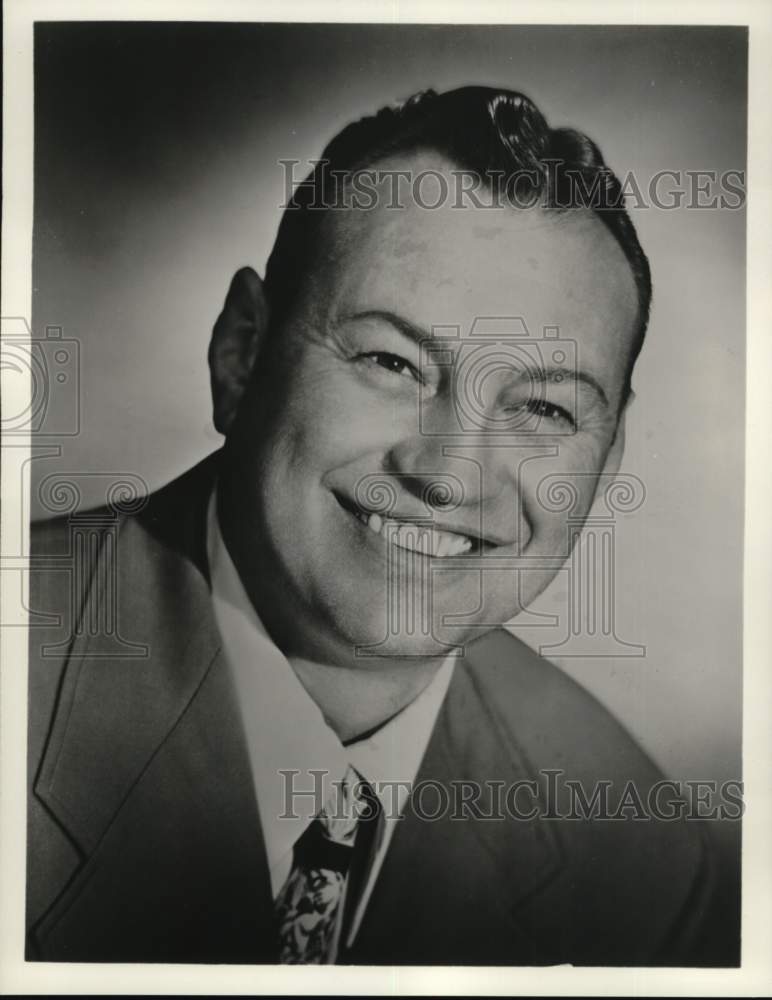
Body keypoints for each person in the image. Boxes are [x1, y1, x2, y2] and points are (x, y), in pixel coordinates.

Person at [25, 86, 739, 965]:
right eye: (391, 361)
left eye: (546, 410)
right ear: (242, 353)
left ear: (609, 459)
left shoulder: (639, 864)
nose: (447, 476)